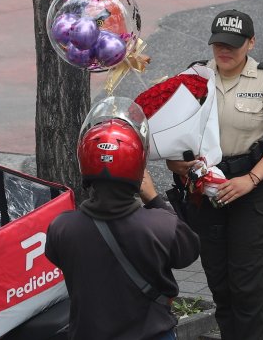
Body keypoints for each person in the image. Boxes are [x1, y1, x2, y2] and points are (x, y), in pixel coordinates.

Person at [168, 9, 263, 340]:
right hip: (206, 192)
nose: (224, 51)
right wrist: (176, 164)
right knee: (221, 286)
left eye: (233, 45)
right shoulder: (194, 78)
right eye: (219, 44)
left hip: (249, 190)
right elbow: (170, 132)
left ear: (251, 43)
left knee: (248, 288)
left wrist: (252, 179)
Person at [46, 105, 200, 340]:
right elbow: (189, 250)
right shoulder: (161, 226)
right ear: (138, 169)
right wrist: (155, 200)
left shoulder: (62, 228)